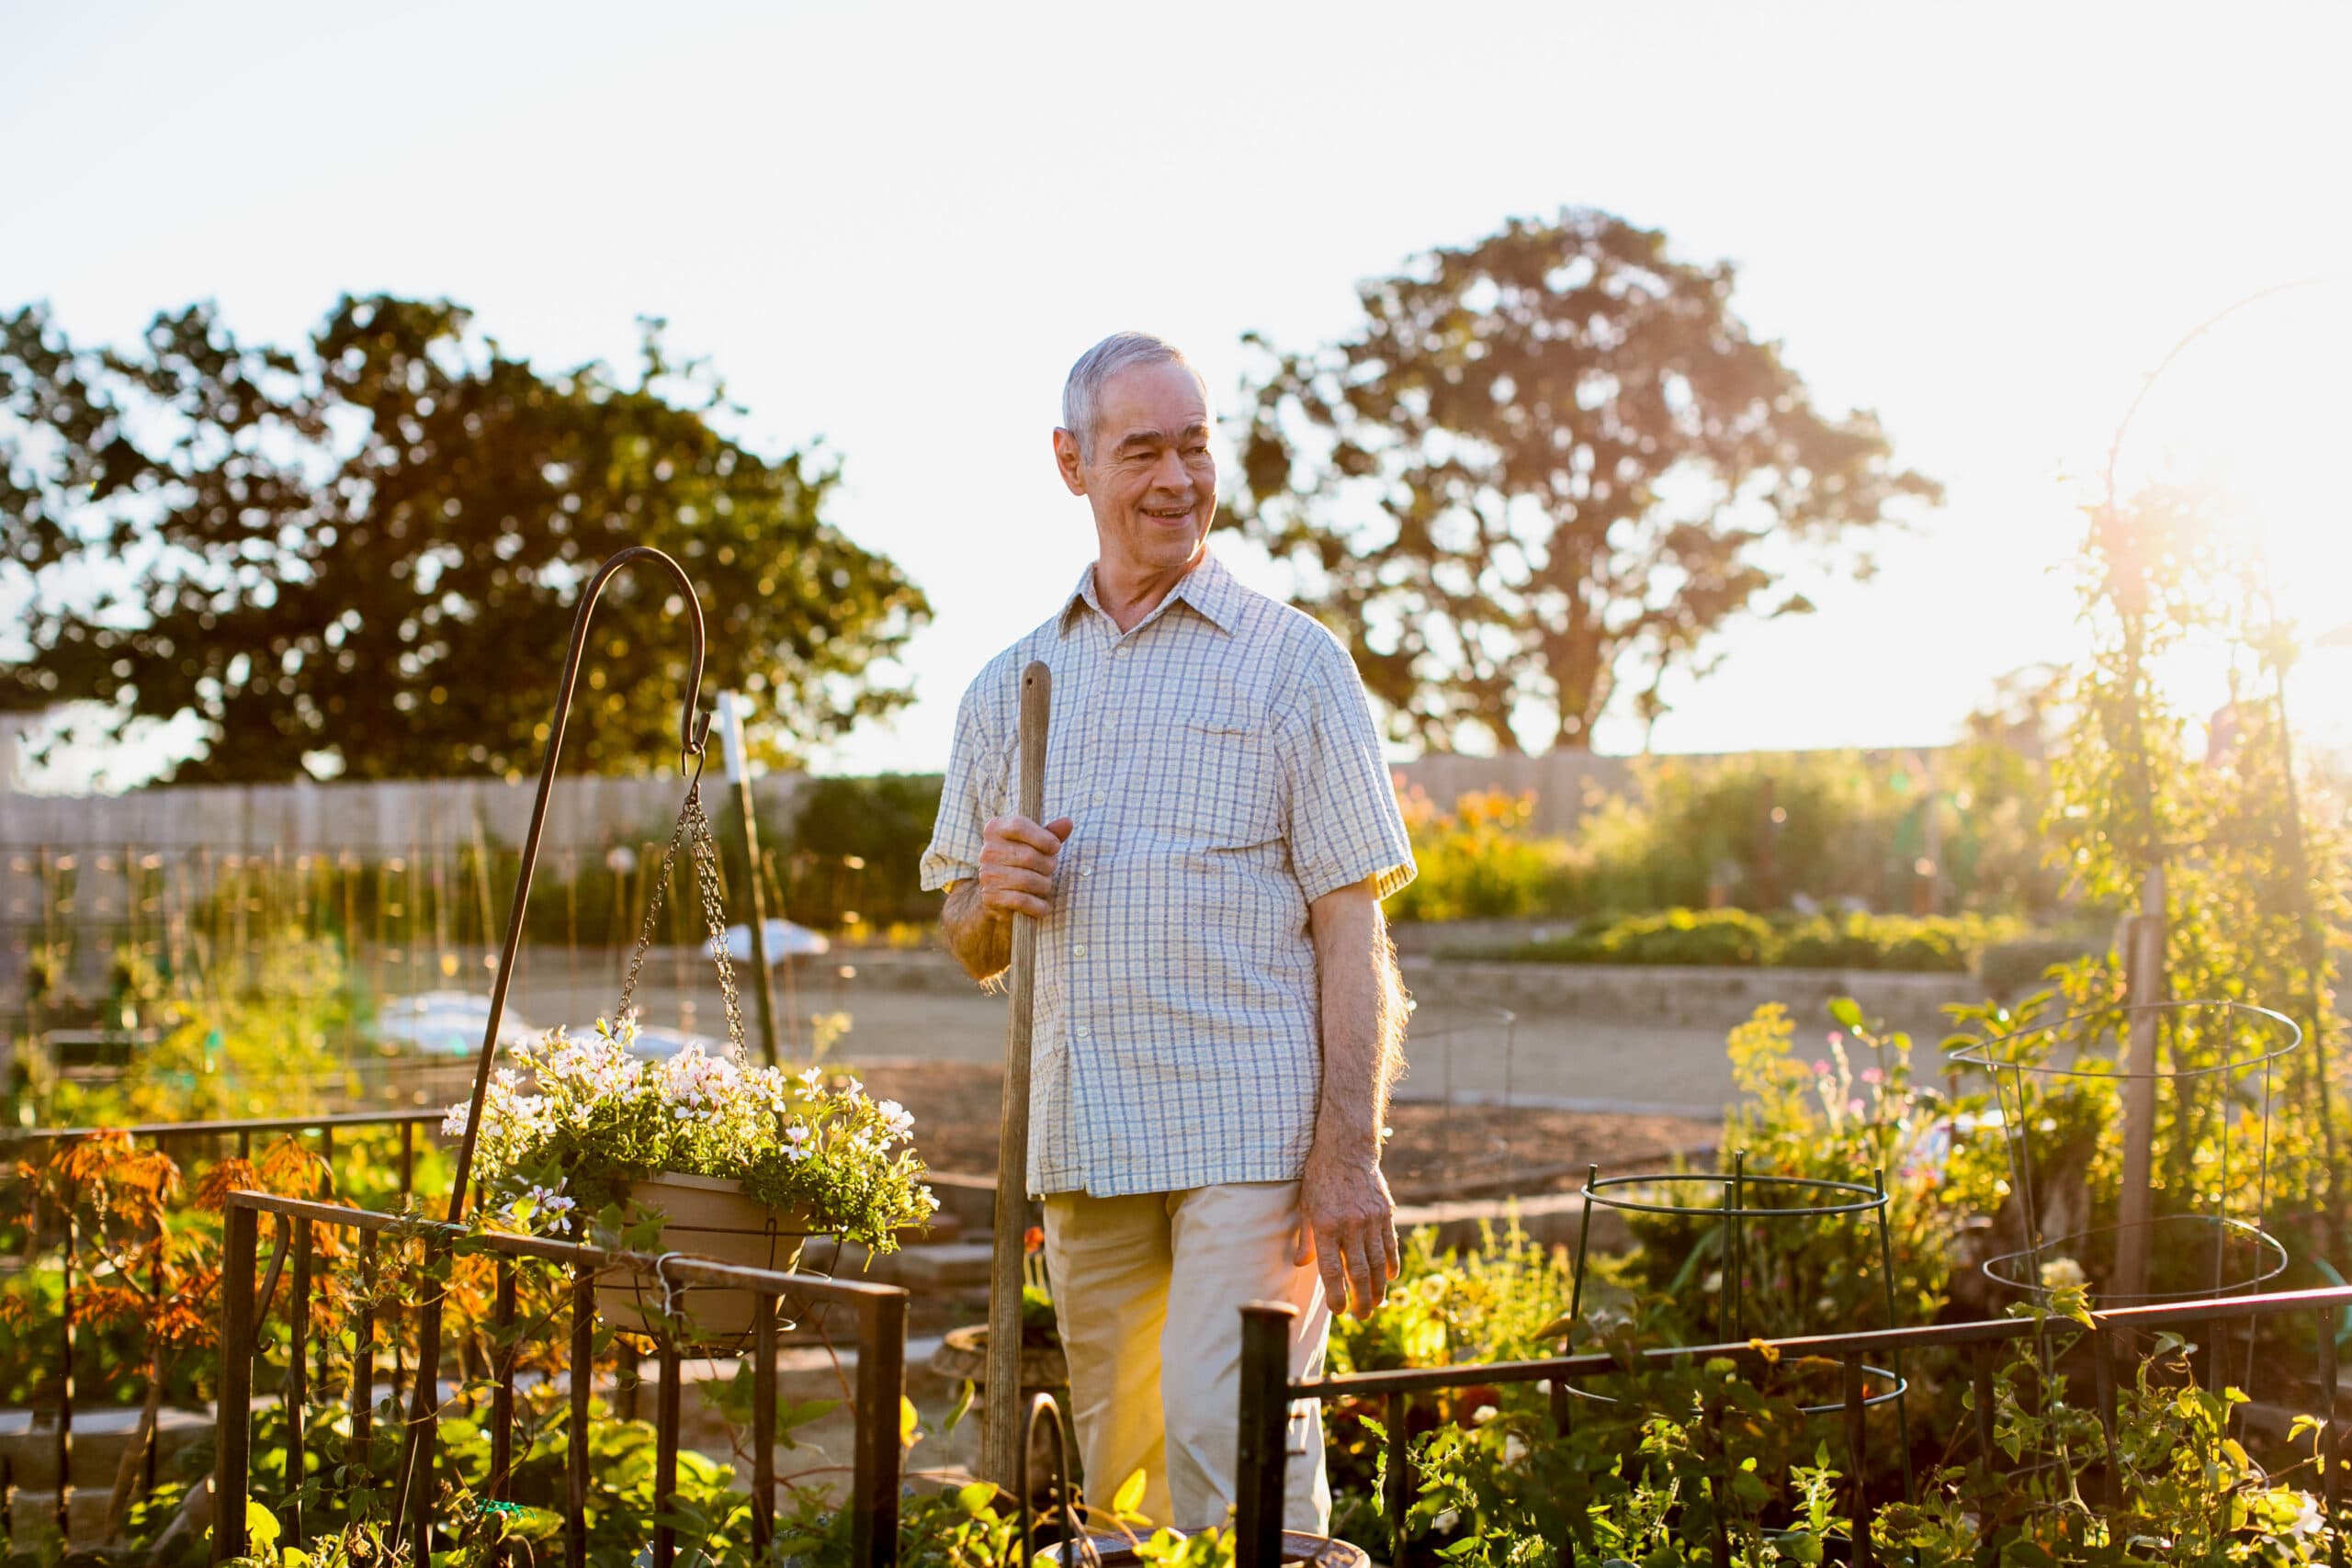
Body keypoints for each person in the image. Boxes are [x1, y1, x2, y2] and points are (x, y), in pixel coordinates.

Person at [920, 331, 1416, 1533]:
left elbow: (1354, 929)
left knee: (1227, 1436)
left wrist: (1347, 1149)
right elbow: (967, 938)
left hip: (1247, 1128)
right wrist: (992, 889)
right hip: (1085, 1134)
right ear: (1070, 463)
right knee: (1124, 1475)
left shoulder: (1294, 664)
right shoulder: (1011, 684)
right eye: (1142, 449)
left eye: (1195, 445)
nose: (1178, 479)